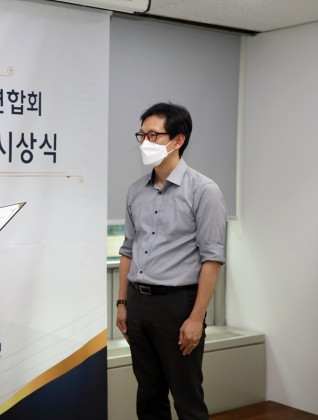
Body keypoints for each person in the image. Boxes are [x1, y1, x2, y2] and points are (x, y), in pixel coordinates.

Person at [116, 102, 226, 419]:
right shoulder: (135, 191)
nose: (145, 142)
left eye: (153, 135)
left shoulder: (204, 190)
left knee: (187, 397)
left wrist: (196, 318)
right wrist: (122, 303)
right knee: (148, 395)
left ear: (178, 140)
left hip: (178, 305)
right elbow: (128, 249)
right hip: (138, 302)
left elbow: (212, 259)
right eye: (141, 135)